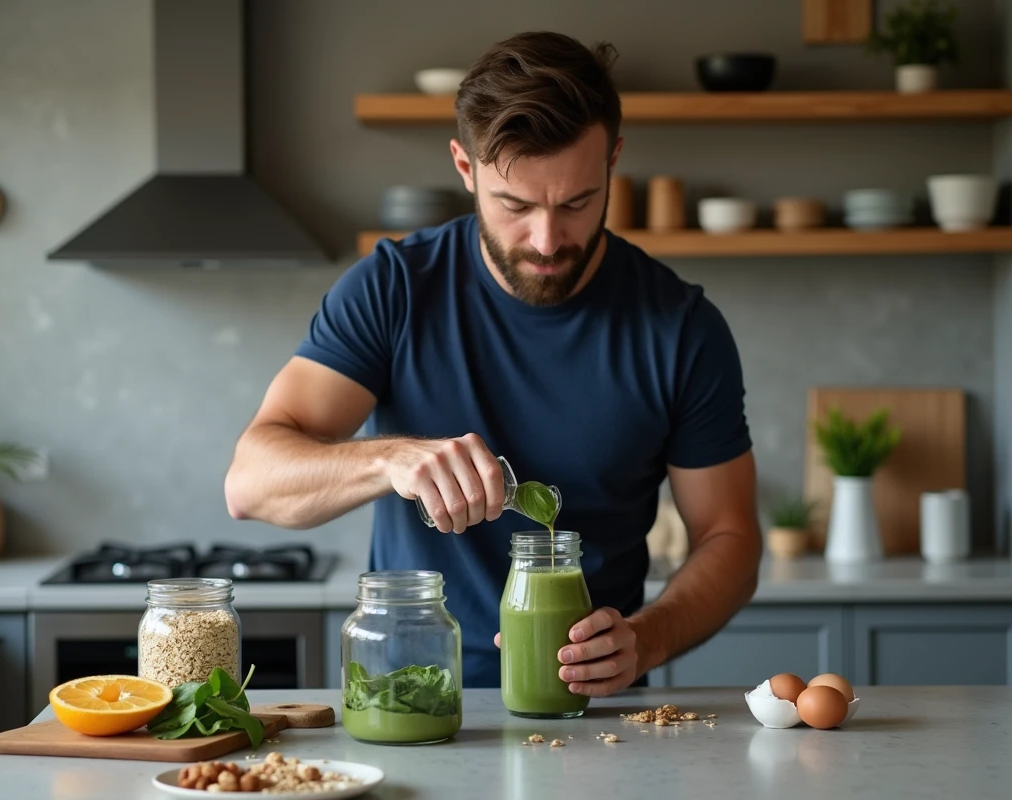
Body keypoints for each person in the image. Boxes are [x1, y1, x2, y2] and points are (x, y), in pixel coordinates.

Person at [224, 30, 763, 694]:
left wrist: (646, 639)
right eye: (515, 205)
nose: (547, 240)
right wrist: (390, 460)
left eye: (577, 202)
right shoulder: (393, 289)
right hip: (409, 700)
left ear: (613, 161)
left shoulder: (681, 328)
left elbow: (731, 540)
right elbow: (251, 483)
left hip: (592, 713)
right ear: (465, 167)